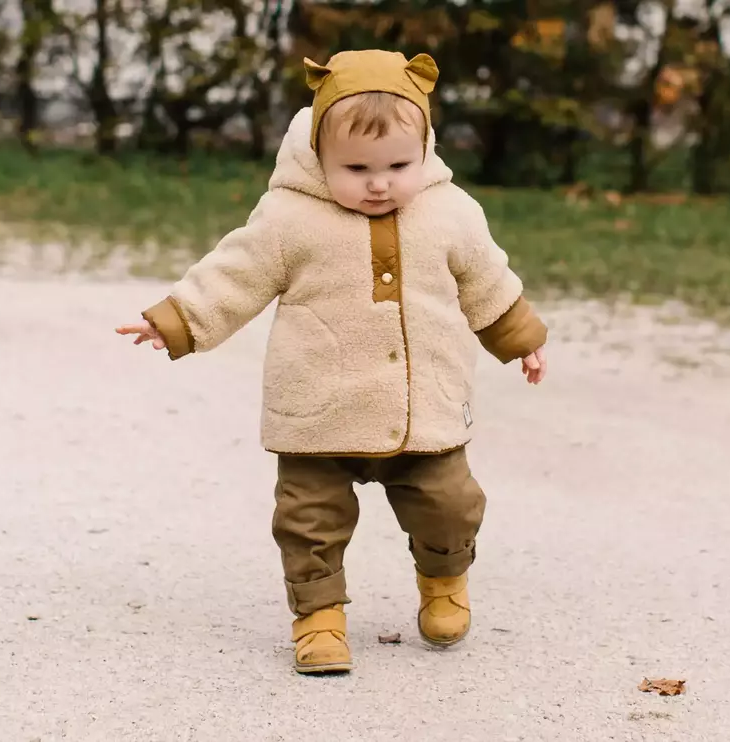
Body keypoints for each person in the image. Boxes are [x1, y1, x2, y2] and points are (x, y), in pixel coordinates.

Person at [116, 49, 549, 675]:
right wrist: (176, 319)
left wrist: (521, 338)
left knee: (451, 504)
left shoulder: (451, 212)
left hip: (421, 407)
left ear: (425, 147)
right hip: (318, 410)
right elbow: (235, 274)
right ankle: (318, 618)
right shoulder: (290, 217)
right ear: (318, 155)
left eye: (399, 165)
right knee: (308, 520)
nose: (379, 183)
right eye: (356, 168)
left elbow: (487, 281)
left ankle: (444, 580)